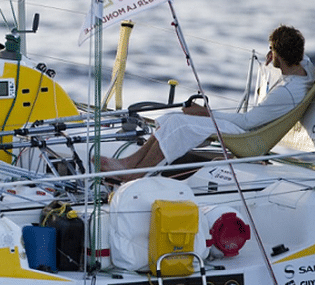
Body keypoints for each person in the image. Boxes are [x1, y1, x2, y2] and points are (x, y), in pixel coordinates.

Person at [101, 25, 315, 182]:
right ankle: (129, 162)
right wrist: (275, 56)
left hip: (248, 137)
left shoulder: (287, 92)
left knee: (181, 125)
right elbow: (300, 60)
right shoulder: (303, 71)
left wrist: (205, 113)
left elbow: (248, 121)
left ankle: (135, 173)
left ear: (279, 54)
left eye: (272, 50)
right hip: (251, 128)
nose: (269, 54)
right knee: (174, 119)